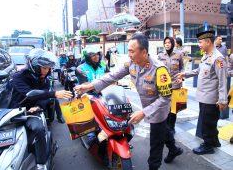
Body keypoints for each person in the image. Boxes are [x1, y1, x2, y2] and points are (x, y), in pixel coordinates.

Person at [75, 34, 183, 170]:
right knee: (163, 131)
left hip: (158, 109)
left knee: (155, 143)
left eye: (132, 51)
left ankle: (154, 166)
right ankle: (174, 149)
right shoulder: (132, 63)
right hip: (146, 106)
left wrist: (144, 112)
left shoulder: (159, 70)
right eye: (128, 51)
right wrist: (89, 86)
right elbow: (111, 76)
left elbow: (165, 98)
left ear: (144, 52)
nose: (129, 54)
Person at [9, 49, 73, 169]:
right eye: (45, 68)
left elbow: (43, 95)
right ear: (35, 66)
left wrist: (38, 106)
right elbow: (28, 93)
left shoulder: (45, 78)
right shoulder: (19, 76)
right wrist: (54, 94)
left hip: (34, 111)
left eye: (49, 68)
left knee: (39, 129)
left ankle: (41, 163)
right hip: (17, 110)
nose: (48, 71)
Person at [176, 30, 228, 155]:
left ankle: (208, 146)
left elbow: (223, 81)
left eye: (200, 42)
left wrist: (222, 100)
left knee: (207, 123)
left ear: (208, 42)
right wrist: (186, 74)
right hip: (203, 97)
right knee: (209, 122)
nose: (198, 45)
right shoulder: (206, 55)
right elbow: (199, 70)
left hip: (211, 99)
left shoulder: (218, 58)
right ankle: (214, 141)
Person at [158, 36, 184, 134]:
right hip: (164, 86)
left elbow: (182, 68)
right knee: (165, 107)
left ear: (172, 44)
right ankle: (166, 127)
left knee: (174, 108)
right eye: (166, 43)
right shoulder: (160, 56)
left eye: (169, 42)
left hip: (176, 85)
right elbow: (157, 70)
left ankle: (172, 127)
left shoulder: (178, 54)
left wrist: (181, 76)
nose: (167, 44)